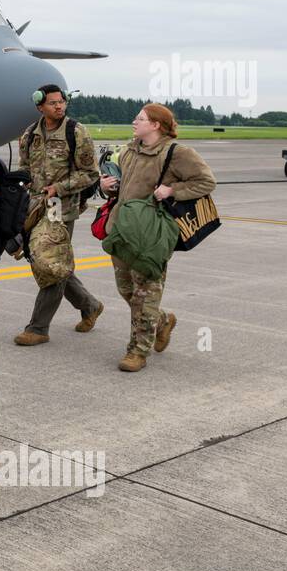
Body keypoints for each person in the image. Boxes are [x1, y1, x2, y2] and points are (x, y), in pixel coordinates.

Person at [98, 103, 215, 372]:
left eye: (140, 119)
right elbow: (121, 187)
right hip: (123, 230)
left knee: (145, 294)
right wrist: (106, 188)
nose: (134, 122)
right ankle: (162, 322)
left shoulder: (177, 153)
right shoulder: (128, 151)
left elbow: (206, 182)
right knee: (127, 290)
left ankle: (138, 351)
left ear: (156, 125)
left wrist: (172, 190)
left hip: (151, 233)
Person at [14, 85, 104, 346]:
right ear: (40, 106)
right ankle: (90, 305)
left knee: (52, 264)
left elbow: (90, 174)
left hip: (61, 209)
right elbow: (24, 168)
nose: (59, 107)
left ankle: (38, 328)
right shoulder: (30, 135)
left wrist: (59, 187)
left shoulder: (76, 132)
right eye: (53, 103)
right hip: (35, 207)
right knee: (43, 262)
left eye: (62, 102)